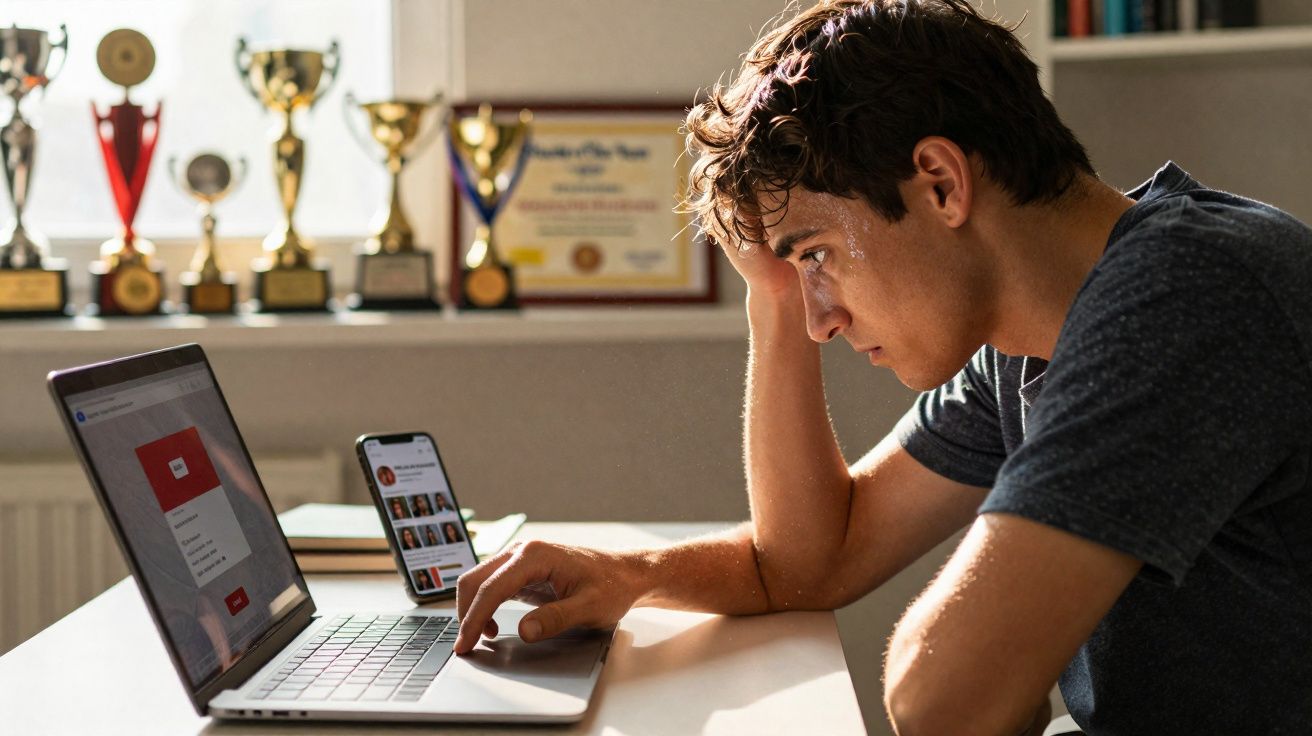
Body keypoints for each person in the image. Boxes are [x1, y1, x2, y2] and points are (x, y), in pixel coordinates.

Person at [453, 2, 1312, 734]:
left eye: (818, 254)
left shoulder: (1189, 295)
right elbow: (809, 562)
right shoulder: (1034, 338)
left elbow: (944, 698)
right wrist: (633, 575)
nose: (821, 319)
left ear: (939, 182)